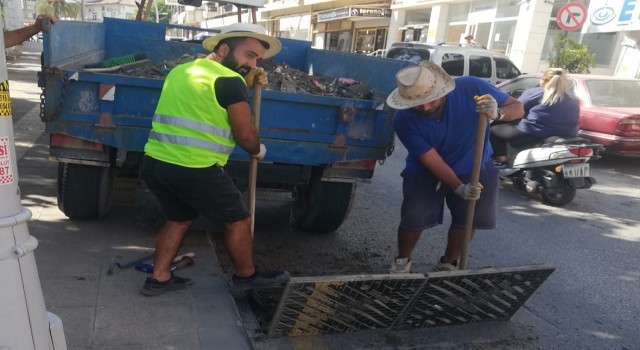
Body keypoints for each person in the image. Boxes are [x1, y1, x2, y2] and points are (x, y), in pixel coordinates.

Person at [140, 22, 290, 296]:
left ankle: (158, 278)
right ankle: (247, 277)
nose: (253, 63)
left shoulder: (180, 71)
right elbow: (245, 136)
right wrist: (258, 150)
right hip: (195, 168)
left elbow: (207, 95)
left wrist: (243, 81)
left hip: (155, 162)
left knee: (178, 218)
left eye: (257, 58)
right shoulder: (230, 82)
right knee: (238, 220)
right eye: (249, 55)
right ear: (223, 49)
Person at [386, 60, 524, 273]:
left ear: (440, 91)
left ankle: (448, 263)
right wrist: (458, 187)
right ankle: (402, 262)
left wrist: (498, 114)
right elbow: (430, 159)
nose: (425, 107)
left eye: (430, 100)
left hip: (474, 163)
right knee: (414, 216)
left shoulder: (471, 88)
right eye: (417, 103)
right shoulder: (403, 119)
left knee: (468, 217)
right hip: (425, 171)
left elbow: (518, 107)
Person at [490, 68, 580, 165]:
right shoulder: (572, 98)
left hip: (534, 131)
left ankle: (501, 161)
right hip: (568, 133)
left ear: (544, 80)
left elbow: (517, 107)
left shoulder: (537, 93)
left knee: (491, 130)